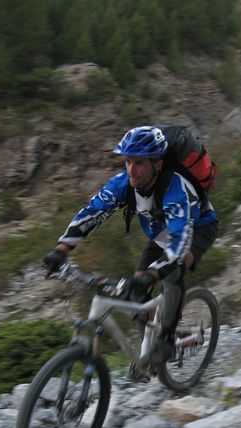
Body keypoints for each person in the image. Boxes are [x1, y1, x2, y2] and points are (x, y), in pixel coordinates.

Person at [44, 125, 218, 375]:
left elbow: (179, 244)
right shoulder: (123, 183)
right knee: (138, 290)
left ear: (157, 164)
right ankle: (147, 350)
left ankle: (166, 340)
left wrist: (155, 273)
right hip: (160, 234)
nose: (131, 170)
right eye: (127, 161)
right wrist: (61, 249)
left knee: (172, 272)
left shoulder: (176, 188)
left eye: (139, 163)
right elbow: (91, 213)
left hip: (198, 228)